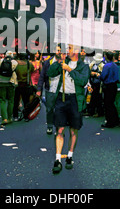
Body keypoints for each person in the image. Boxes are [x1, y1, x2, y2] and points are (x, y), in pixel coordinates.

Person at [48, 44, 89, 173]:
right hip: (62, 97)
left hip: (75, 100)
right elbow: (50, 73)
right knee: (59, 129)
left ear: (76, 51)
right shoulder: (63, 62)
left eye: (70, 48)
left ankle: (70, 156)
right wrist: (60, 62)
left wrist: (70, 70)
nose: (67, 50)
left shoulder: (84, 66)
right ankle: (58, 159)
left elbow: (82, 81)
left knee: (73, 130)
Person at [36, 45, 62, 135]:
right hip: (49, 89)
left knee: (59, 109)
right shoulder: (48, 62)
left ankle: (58, 127)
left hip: (61, 90)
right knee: (50, 109)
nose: (59, 52)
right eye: (57, 50)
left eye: (60, 50)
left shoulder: (65, 62)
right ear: (54, 51)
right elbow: (42, 76)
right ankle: (50, 126)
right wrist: (39, 89)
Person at [0, 51, 17, 126]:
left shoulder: (1, 61)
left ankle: (4, 118)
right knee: (11, 100)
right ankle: (9, 118)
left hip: (1, 81)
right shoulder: (15, 62)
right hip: (11, 82)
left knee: (2, 100)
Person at [100, 51, 120, 128]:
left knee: (107, 104)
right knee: (111, 103)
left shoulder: (107, 66)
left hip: (108, 85)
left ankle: (110, 122)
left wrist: (99, 76)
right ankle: (116, 120)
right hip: (114, 85)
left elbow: (103, 76)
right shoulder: (115, 65)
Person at [13, 52, 34, 122]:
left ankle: (15, 116)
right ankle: (26, 116)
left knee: (16, 100)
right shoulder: (29, 64)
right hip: (26, 84)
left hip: (17, 84)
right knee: (26, 101)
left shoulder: (16, 64)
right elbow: (32, 70)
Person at [87, 52, 104, 117]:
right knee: (91, 97)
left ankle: (99, 112)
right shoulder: (92, 64)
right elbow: (88, 71)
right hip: (92, 82)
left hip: (98, 84)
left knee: (98, 98)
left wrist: (96, 74)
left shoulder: (102, 65)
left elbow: (102, 74)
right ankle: (91, 111)